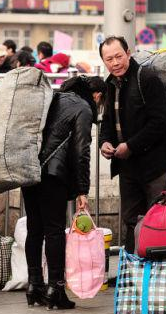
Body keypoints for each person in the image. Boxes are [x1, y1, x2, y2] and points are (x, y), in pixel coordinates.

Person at [22, 75, 106, 310]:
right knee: (54, 231)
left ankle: (34, 285)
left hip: (29, 171)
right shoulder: (83, 108)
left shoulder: (53, 98)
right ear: (97, 96)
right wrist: (82, 190)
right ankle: (55, 289)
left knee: (34, 229)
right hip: (53, 175)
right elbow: (81, 152)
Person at [98, 36, 166, 253]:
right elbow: (108, 122)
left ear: (128, 53)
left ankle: (161, 271)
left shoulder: (147, 78)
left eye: (119, 56)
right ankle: (133, 269)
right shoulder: (109, 84)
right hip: (127, 167)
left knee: (161, 218)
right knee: (131, 221)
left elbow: (160, 122)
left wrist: (130, 146)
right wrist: (105, 142)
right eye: (109, 59)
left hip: (154, 165)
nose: (115, 63)